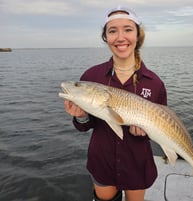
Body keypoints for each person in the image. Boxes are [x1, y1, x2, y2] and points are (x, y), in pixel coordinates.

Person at [63, 5, 167, 201]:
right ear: (106, 38)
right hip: (102, 161)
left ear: (138, 35)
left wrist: (145, 133)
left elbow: (162, 125)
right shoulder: (91, 76)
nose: (120, 37)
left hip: (137, 162)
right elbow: (85, 126)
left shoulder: (154, 83)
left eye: (128, 29)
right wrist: (82, 116)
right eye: (112, 31)